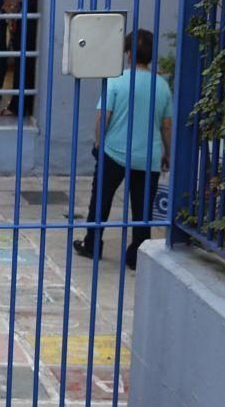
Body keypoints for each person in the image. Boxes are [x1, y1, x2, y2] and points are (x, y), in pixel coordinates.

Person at [74, 29, 173, 271]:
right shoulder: (161, 85)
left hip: (114, 152)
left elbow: (102, 117)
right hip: (147, 156)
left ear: (128, 54)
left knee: (101, 200)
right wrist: (166, 153)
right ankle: (137, 254)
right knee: (142, 209)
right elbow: (167, 125)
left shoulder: (117, 81)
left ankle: (93, 243)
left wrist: (99, 142)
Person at [0, 0, 39, 117]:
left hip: (26, 19)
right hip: (15, 17)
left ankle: (20, 106)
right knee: (19, 61)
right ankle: (17, 104)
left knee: (24, 62)